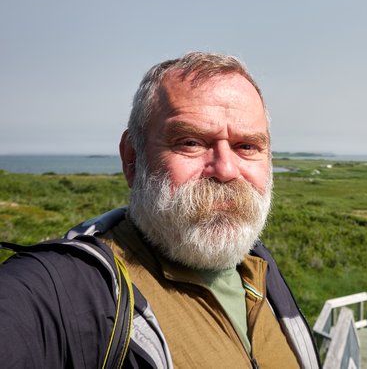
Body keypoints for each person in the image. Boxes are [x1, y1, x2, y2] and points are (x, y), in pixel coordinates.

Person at [0, 52, 320, 368]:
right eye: (190, 142)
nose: (225, 169)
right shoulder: (63, 289)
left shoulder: (259, 266)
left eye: (247, 146)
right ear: (131, 159)